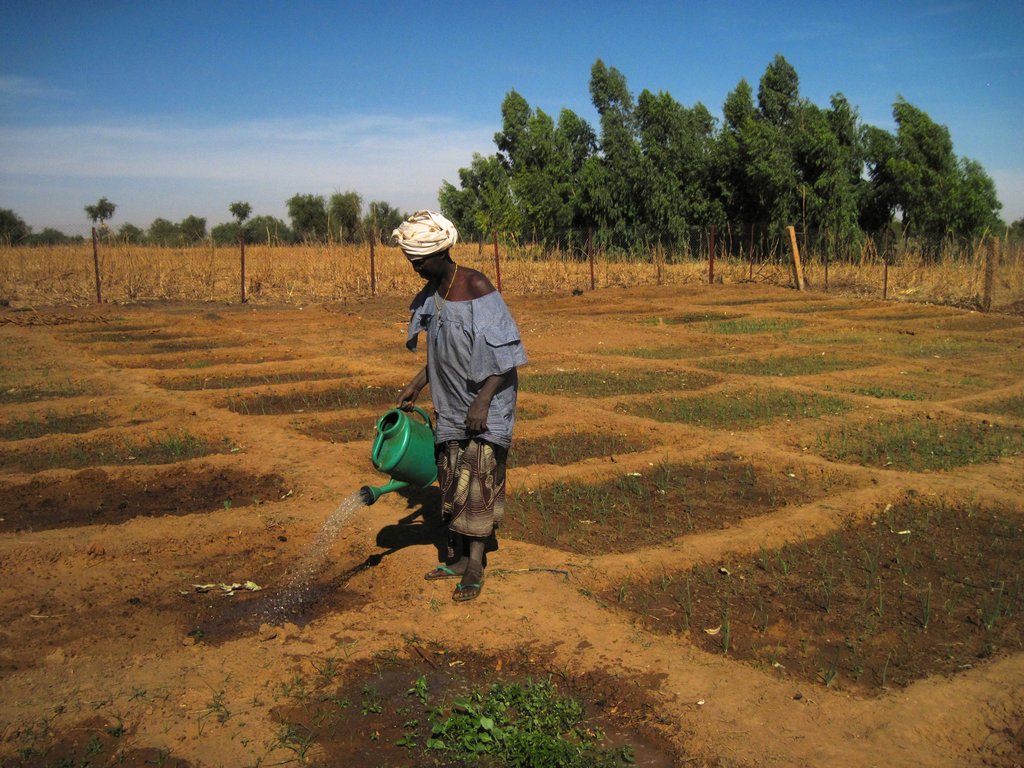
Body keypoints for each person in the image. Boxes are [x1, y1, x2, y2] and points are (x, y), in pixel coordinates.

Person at [394, 211, 527, 603]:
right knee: (451, 478)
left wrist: (482, 402)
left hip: (483, 405)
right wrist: (416, 385)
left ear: (440, 252)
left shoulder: (476, 286)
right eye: (411, 262)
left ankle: (474, 564)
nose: (415, 268)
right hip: (451, 404)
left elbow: (508, 355)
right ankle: (456, 557)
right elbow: (444, 350)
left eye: (419, 261)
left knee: (478, 482)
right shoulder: (435, 293)